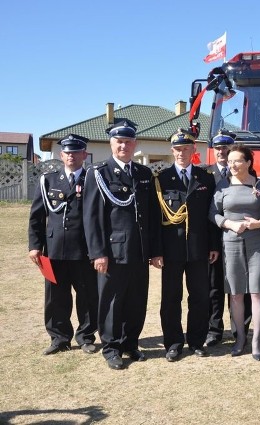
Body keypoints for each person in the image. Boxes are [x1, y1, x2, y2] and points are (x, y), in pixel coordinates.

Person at [83, 119, 162, 370]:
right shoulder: (98, 172)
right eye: (119, 142)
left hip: (139, 251)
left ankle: (130, 343)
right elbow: (92, 217)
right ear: (111, 143)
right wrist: (98, 253)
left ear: (135, 144)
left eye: (128, 142)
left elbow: (151, 216)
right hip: (113, 252)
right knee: (112, 301)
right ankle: (111, 347)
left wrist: (155, 251)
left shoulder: (143, 173)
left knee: (137, 299)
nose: (124, 146)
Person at [28, 134, 99, 355]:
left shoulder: (92, 179)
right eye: (67, 152)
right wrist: (35, 245)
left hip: (84, 250)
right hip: (54, 250)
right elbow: (37, 216)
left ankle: (86, 336)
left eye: (76, 151)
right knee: (55, 297)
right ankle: (59, 338)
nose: (71, 155)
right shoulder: (48, 180)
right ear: (61, 155)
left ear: (84, 155)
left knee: (87, 297)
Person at [155, 128, 219, 362]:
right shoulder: (161, 179)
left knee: (200, 297)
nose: (182, 152)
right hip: (171, 250)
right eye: (177, 149)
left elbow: (210, 216)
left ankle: (196, 341)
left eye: (186, 148)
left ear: (194, 150)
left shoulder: (206, 178)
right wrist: (157, 251)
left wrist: (213, 245)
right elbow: (156, 220)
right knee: (171, 298)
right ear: (172, 151)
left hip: (199, 248)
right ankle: (173, 342)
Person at [209, 145, 260, 361]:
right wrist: (229, 224)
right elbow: (212, 214)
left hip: (256, 243)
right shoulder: (222, 186)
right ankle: (240, 337)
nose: (232, 165)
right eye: (230, 161)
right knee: (235, 293)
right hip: (231, 242)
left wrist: (259, 223)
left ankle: (256, 339)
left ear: (248, 163)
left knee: (256, 291)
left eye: (237, 161)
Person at [205, 130, 252, 346]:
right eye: (218, 148)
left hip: (242, 240)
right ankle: (214, 330)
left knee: (241, 286)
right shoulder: (205, 175)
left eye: (226, 148)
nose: (222, 152)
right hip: (215, 241)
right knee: (214, 287)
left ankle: (240, 328)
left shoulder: (247, 174)